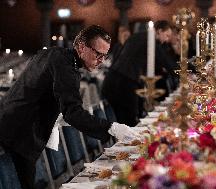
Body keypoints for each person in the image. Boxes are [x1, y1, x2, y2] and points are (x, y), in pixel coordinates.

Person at [0, 25, 139, 189]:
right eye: (97, 54)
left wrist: (58, 114)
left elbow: (43, 91)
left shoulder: (56, 54)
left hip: (12, 123)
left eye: (104, 55)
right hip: (20, 131)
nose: (101, 60)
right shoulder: (65, 66)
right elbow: (72, 113)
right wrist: (112, 127)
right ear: (81, 47)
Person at [102, 20, 178, 127]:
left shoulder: (136, 37)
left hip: (112, 80)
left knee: (122, 121)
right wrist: (184, 73)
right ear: (159, 31)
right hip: (125, 84)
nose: (166, 40)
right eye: (166, 35)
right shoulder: (150, 40)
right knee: (130, 121)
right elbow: (166, 61)